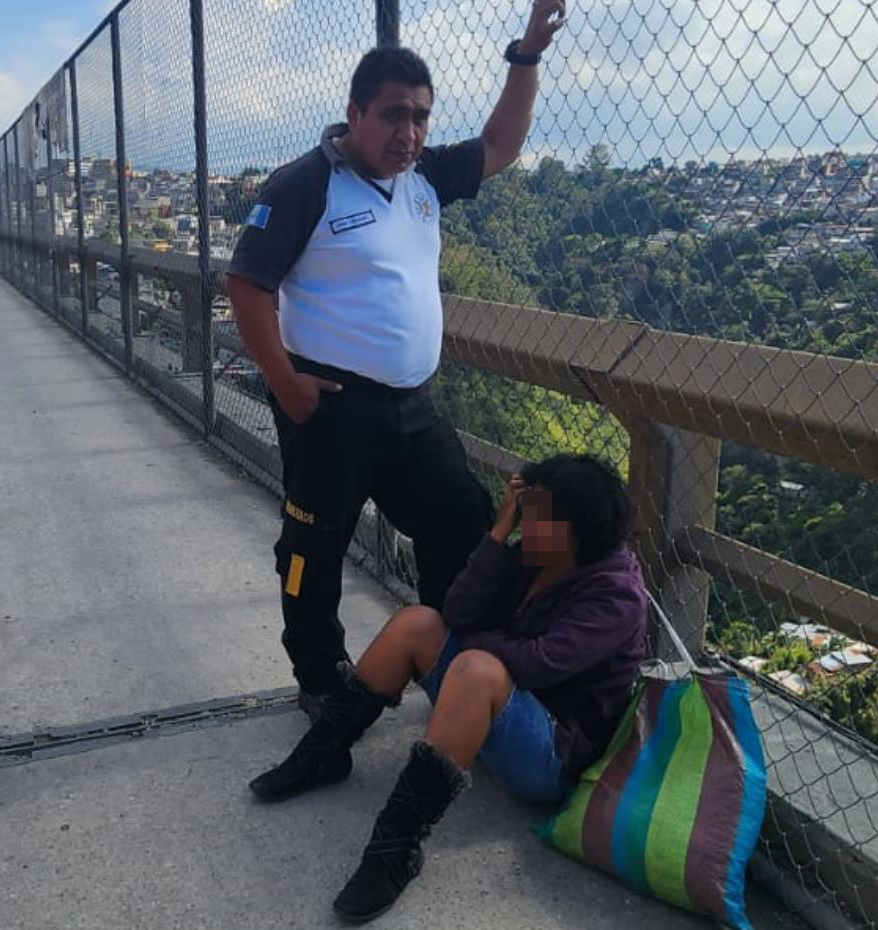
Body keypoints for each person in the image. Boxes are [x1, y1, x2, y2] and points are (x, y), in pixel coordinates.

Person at [224, 0, 568, 722]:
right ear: (354, 113)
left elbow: (501, 145)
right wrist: (285, 383)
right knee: (312, 547)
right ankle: (320, 675)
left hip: (412, 407)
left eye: (420, 117)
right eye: (391, 115)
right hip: (331, 406)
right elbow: (247, 283)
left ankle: (450, 656)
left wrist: (527, 54)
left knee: (465, 524)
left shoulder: (424, 178)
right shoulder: (304, 184)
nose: (407, 132)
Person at [251, 453, 648, 923]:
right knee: (416, 623)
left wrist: (474, 646)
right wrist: (498, 535)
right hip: (493, 710)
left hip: (551, 754)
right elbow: (456, 610)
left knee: (477, 668)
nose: (528, 524)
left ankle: (395, 849)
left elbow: (536, 665)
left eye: (540, 517)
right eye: (527, 511)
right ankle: (324, 754)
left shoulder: (616, 593)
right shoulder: (534, 555)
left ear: (577, 529)